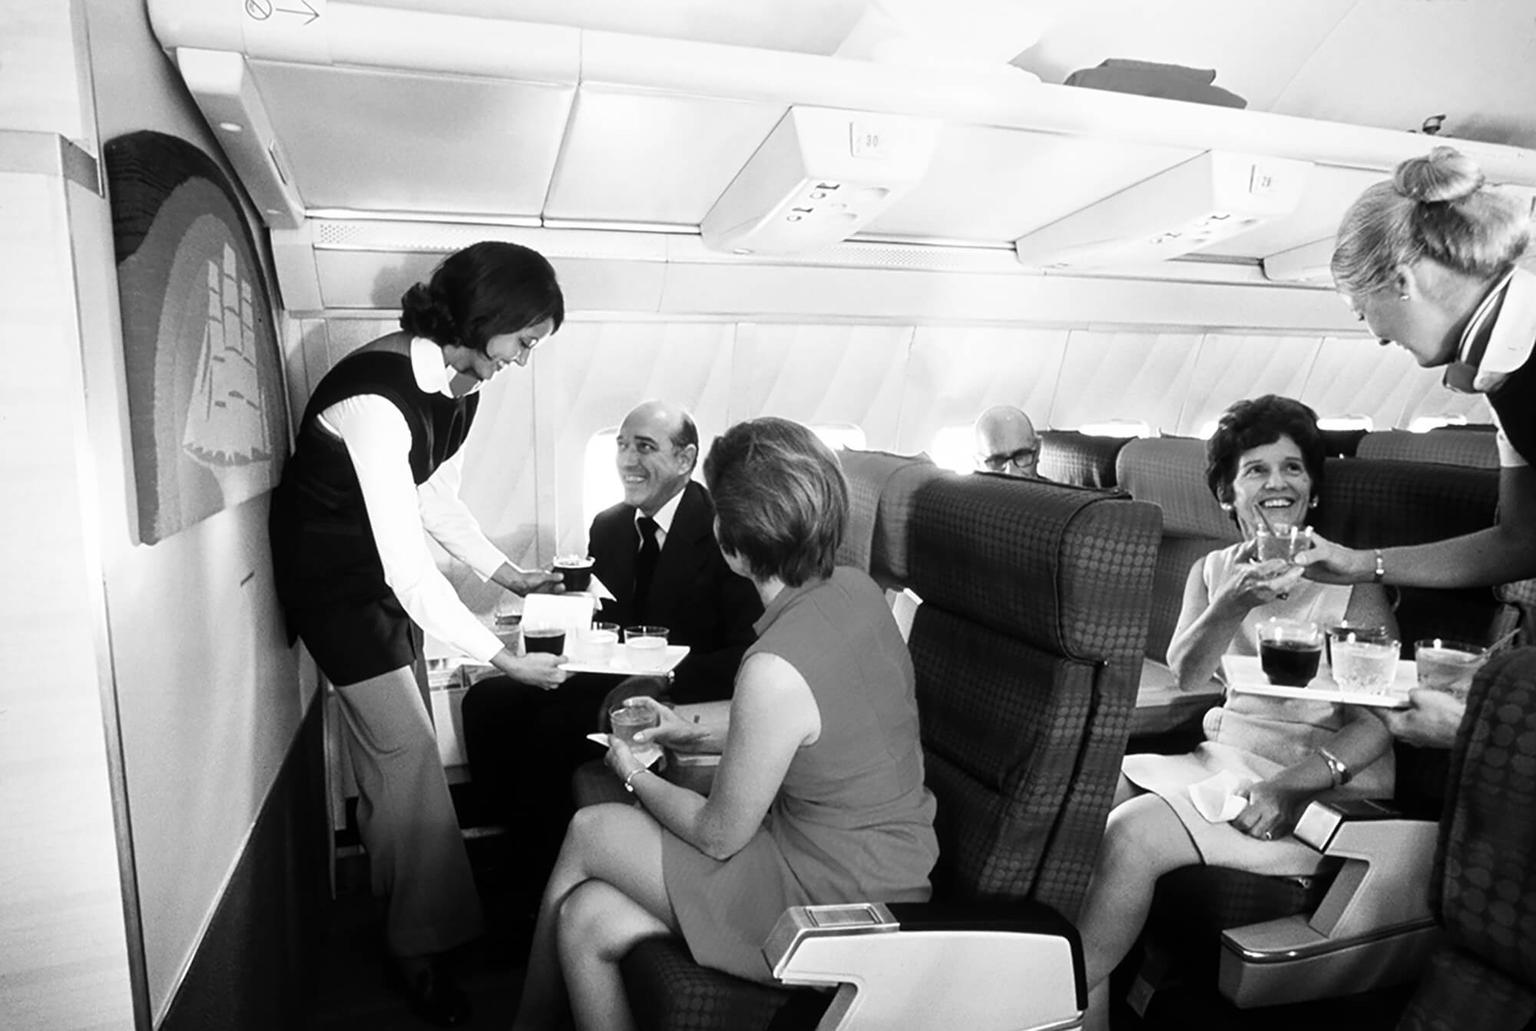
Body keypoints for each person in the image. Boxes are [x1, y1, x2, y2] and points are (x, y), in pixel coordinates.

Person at [510, 417, 939, 1031]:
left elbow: (717, 836)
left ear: (731, 545)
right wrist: (685, 729)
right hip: (881, 864)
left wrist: (630, 771)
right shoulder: (855, 589)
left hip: (830, 905)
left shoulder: (772, 668)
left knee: (592, 828)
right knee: (589, 919)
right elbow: (811, 719)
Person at [268, 241, 569, 1027]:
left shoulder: (460, 386)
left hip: (373, 582)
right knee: (407, 754)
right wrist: (504, 657)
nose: (525, 360)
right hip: (332, 585)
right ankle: (417, 951)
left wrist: (511, 575)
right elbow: (408, 567)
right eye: (525, 341)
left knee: (396, 757)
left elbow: (436, 503)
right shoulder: (378, 397)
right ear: (487, 317)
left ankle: (411, 915)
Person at [1075, 395, 1398, 1027]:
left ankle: (1053, 998)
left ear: (1312, 489)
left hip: (1317, 788)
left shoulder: (1353, 582)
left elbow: (1376, 725)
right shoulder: (1212, 570)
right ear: (1228, 494)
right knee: (1090, 796)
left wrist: (1287, 788)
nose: (1276, 483)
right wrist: (1228, 602)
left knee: (1134, 834)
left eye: (1293, 468)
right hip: (1225, 758)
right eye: (1255, 470)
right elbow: (1191, 673)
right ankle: (1094, 1006)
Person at [460, 399, 761, 889]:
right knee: (487, 702)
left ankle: (541, 879)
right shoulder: (611, 526)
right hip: (607, 677)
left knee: (552, 732)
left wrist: (661, 675)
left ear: (685, 461)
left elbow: (743, 652)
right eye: (622, 445)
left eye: (645, 447)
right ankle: (509, 845)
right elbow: (609, 622)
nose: (627, 460)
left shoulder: (723, 530)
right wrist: (561, 615)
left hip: (678, 689)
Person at [1300, 145, 1536, 748]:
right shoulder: (1504, 370)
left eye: (1362, 312)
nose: (1376, 337)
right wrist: (1361, 564)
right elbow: (1521, 540)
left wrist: (1481, 727)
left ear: (1402, 281)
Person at [973, 403, 1044, 478]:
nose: (1012, 473)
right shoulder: (965, 489)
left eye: (1021, 456)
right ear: (978, 463)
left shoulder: (1053, 490)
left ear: (1038, 450)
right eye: (997, 462)